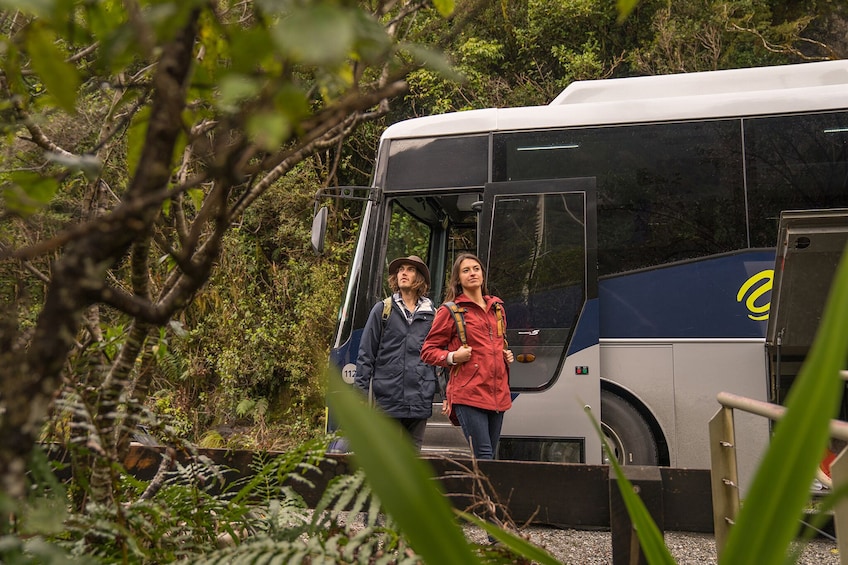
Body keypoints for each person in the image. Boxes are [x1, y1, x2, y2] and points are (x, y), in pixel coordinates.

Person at [421, 253, 514, 460]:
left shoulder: (497, 308)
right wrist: (453, 356)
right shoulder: (450, 311)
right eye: (466, 270)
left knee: (490, 455)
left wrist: (505, 354)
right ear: (458, 279)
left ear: (482, 274)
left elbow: (495, 343)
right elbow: (427, 351)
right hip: (468, 393)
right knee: (484, 455)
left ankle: (482, 493)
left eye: (476, 269)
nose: (472, 273)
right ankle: (485, 494)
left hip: (498, 392)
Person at [353, 255, 437, 451]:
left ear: (420, 278)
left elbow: (438, 355)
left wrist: (444, 392)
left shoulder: (432, 313)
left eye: (410, 269)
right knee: (388, 457)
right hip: (388, 398)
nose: (403, 273)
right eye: (400, 270)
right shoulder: (383, 310)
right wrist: (361, 395)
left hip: (419, 397)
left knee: (413, 458)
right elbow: (366, 354)